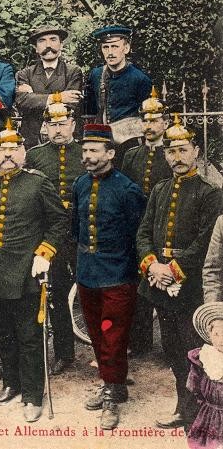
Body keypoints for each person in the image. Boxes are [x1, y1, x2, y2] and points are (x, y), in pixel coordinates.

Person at [0, 119, 69, 422]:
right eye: (2, 150)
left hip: (25, 273)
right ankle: (12, 383)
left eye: (14, 149)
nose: (7, 155)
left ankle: (33, 394)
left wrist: (45, 253)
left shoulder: (38, 182)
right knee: (3, 334)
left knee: (29, 336)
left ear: (24, 153)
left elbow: (59, 221)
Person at [136, 116, 223, 430]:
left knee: (196, 353)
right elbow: (144, 233)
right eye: (171, 152)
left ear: (196, 151)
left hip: (191, 290)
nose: (177, 157)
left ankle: (203, 413)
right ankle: (184, 409)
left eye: (183, 150)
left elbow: (205, 244)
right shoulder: (160, 189)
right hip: (160, 286)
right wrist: (153, 266)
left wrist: (172, 269)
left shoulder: (210, 193)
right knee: (173, 351)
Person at [71, 123, 146, 429]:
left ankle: (111, 395)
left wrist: (130, 271)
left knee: (113, 335)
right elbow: (76, 228)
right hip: (88, 273)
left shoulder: (127, 190)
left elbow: (138, 235)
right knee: (96, 333)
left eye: (94, 150)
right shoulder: (80, 184)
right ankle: (113, 383)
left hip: (118, 274)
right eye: (84, 150)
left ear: (111, 153)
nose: (87, 156)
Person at [25, 98, 85, 375]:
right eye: (52, 125)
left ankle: (104, 354)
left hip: (83, 230)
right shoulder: (35, 155)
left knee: (91, 291)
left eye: (63, 124)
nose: (58, 130)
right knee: (57, 291)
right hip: (51, 232)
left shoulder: (85, 152)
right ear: (45, 127)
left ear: (73, 124)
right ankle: (64, 353)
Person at [121, 92, 172, 355]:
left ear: (165, 123)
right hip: (135, 227)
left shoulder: (171, 153)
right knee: (137, 284)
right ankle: (139, 343)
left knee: (163, 283)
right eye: (145, 120)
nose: (149, 125)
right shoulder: (131, 155)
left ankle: (170, 346)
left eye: (154, 120)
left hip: (162, 226)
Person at [84, 25, 152, 156]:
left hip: (131, 144)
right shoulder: (96, 74)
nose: (110, 52)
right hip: (104, 142)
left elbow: (146, 117)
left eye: (115, 47)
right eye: (105, 47)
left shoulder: (140, 79)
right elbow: (91, 110)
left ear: (126, 48)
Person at [15, 25, 83, 148]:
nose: (48, 45)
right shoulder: (25, 73)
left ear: (61, 45)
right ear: (36, 48)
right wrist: (58, 97)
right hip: (32, 139)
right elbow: (23, 101)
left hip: (64, 136)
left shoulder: (73, 72)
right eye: (42, 41)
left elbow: (70, 104)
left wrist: (34, 97)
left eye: (53, 39)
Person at [186, 301, 223, 449]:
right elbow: (194, 386)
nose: (221, 340)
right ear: (209, 334)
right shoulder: (205, 358)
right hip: (209, 413)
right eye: (216, 334)